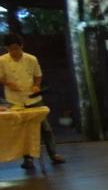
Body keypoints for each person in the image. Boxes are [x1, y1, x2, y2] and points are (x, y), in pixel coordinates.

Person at [0, 33, 65, 170]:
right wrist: (8, 83)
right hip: (14, 100)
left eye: (16, 48)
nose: (14, 52)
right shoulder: (2, 60)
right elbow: (0, 78)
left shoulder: (31, 59)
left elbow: (38, 76)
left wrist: (36, 85)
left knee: (45, 128)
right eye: (11, 49)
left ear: (21, 46)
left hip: (33, 98)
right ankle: (27, 159)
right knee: (23, 131)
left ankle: (53, 154)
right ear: (6, 48)